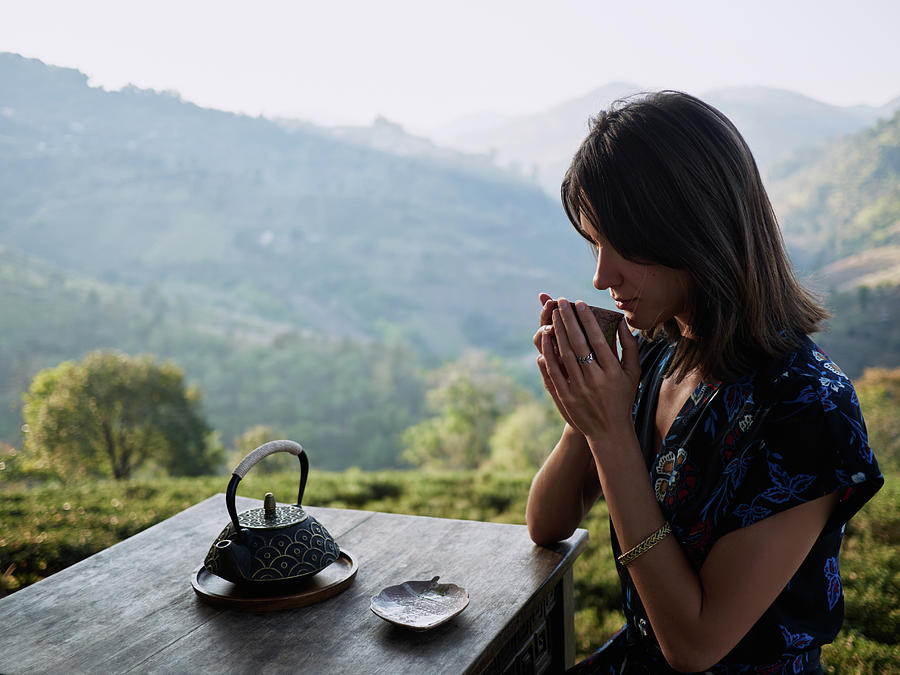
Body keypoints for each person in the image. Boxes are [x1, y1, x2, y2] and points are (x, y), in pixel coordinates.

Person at [526, 91, 883, 674]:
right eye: (595, 243)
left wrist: (611, 430)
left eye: (622, 244)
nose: (599, 276)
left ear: (690, 228)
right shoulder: (660, 355)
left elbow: (696, 645)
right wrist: (582, 415)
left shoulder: (808, 407)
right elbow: (547, 524)